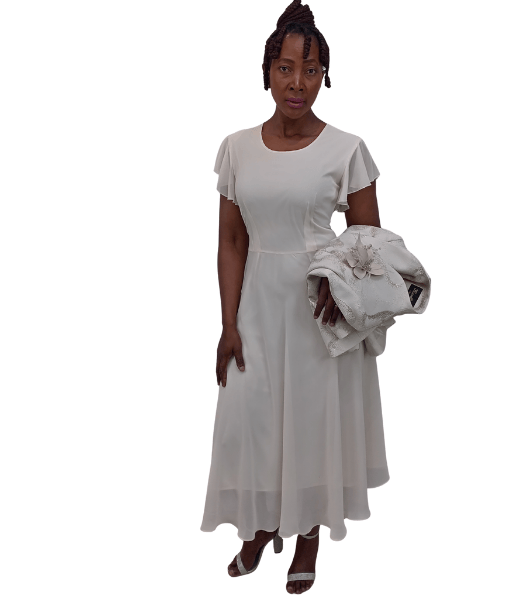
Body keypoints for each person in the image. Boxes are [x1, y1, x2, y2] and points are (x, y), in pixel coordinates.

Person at [200, 1, 389, 594]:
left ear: (324, 75)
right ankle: (259, 525)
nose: (297, 83)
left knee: (308, 422)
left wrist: (341, 284)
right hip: (256, 303)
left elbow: (368, 239)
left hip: (318, 309)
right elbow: (232, 240)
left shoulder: (346, 148)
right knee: (252, 419)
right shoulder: (237, 148)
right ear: (267, 71)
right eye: (285, 68)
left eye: (310, 70)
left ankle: (307, 532)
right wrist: (228, 323)